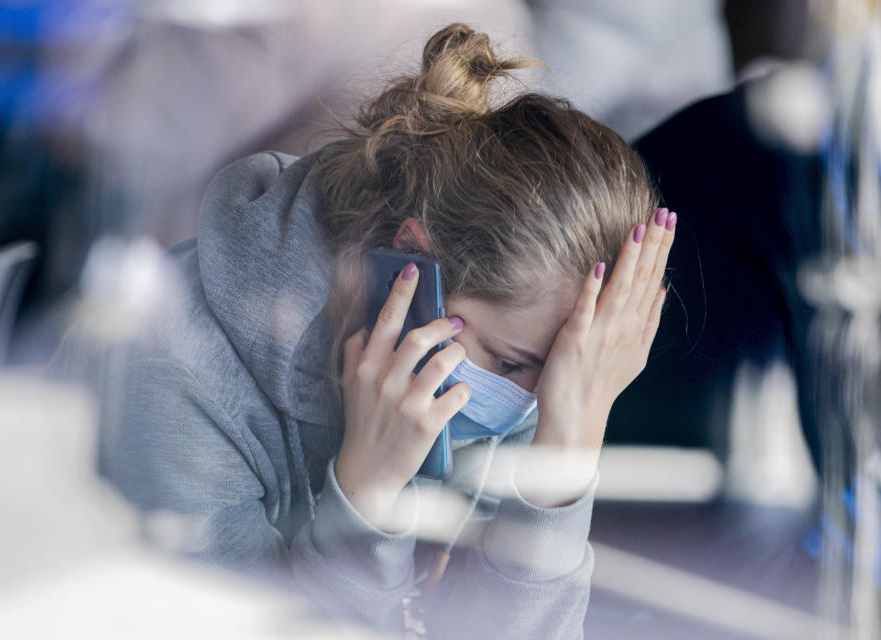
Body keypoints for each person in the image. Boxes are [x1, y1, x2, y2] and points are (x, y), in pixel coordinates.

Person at [73, 23, 676, 638]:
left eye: (569, 374)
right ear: (410, 268)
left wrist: (565, 460)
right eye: (511, 364)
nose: (534, 404)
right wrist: (366, 496)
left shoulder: (532, 369)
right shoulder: (177, 375)